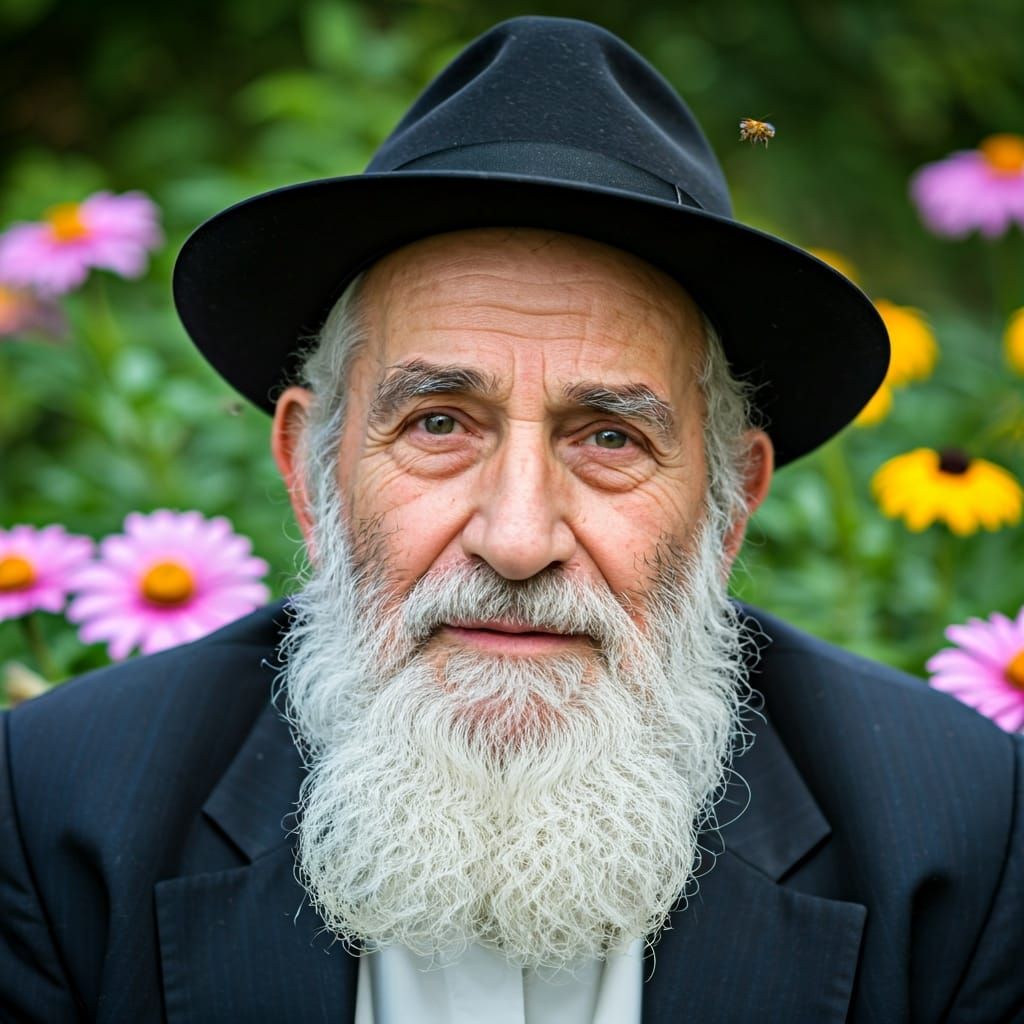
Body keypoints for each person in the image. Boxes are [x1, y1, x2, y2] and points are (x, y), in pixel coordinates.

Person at [2, 16, 1022, 1024]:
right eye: (440, 422)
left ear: (728, 506)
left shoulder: (962, 838)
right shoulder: (54, 816)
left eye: (609, 438)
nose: (519, 538)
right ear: (309, 476)